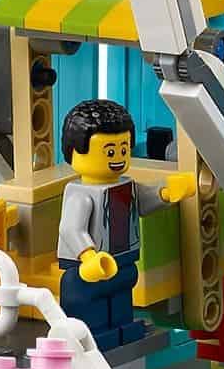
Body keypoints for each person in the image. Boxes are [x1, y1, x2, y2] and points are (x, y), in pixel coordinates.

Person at [56, 99, 195, 350]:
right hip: (91, 268)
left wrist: (165, 193)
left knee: (120, 298)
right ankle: (92, 335)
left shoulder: (126, 185)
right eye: (110, 152)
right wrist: (88, 256)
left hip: (123, 260)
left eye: (123, 150)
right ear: (75, 152)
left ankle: (122, 329)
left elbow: (142, 201)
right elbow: (71, 229)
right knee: (89, 302)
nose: (118, 158)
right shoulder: (81, 194)